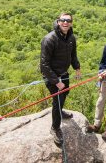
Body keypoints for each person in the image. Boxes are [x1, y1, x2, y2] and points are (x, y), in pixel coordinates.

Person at [40, 12, 81, 146]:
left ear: (71, 23)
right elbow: (44, 65)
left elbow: (73, 55)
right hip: (51, 75)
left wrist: (77, 68)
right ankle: (55, 128)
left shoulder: (71, 38)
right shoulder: (49, 39)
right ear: (58, 22)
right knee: (58, 100)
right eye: (63, 20)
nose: (65, 23)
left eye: (68, 21)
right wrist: (56, 82)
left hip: (63, 73)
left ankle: (60, 112)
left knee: (65, 93)